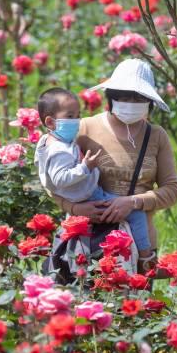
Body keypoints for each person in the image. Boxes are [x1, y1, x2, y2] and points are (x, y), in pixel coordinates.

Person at [51, 58, 177, 275]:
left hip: (139, 247)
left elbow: (172, 191)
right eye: (123, 95)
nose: (130, 101)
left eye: (138, 97)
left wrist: (133, 202)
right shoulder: (85, 128)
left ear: (149, 101)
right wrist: (75, 209)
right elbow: (54, 179)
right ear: (110, 96)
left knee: (133, 308)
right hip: (89, 241)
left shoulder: (157, 136)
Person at [34, 87, 151, 259]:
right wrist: (85, 167)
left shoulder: (48, 141)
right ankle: (146, 258)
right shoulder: (59, 150)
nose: (77, 121)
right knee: (136, 215)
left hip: (81, 197)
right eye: (70, 116)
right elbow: (59, 179)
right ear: (50, 122)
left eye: (78, 115)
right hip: (91, 198)